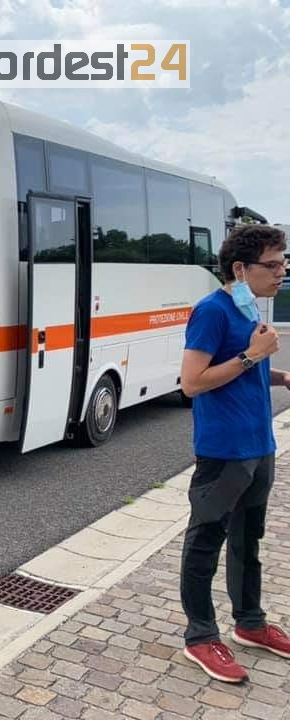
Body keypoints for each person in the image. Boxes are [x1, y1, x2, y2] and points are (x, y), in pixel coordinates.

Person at [179, 224, 290, 683]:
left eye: (284, 263)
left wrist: (279, 376)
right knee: (206, 542)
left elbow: (245, 371)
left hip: (259, 445)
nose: (282, 272)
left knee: (248, 540)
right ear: (240, 268)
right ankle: (201, 636)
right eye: (273, 264)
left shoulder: (249, 309)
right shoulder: (211, 311)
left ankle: (250, 623)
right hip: (224, 451)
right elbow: (192, 382)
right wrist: (252, 356)